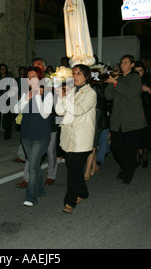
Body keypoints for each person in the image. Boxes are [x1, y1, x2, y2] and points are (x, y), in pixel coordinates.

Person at [55, 64, 96, 213]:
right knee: (74, 168)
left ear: (86, 76)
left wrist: (67, 97)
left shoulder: (90, 93)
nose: (75, 76)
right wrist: (61, 96)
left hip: (81, 137)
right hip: (68, 137)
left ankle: (70, 202)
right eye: (73, 73)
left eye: (79, 73)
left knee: (73, 170)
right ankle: (83, 192)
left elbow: (78, 111)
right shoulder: (71, 91)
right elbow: (60, 111)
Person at [14, 67, 53, 206]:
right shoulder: (26, 93)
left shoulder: (47, 94)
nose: (31, 79)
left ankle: (31, 196)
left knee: (32, 165)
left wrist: (36, 96)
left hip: (41, 136)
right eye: (28, 77)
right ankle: (41, 191)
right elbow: (15, 110)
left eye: (34, 76)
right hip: (26, 135)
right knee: (34, 165)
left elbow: (45, 114)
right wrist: (25, 99)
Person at [105, 55, 146, 185]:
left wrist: (116, 83)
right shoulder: (118, 78)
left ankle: (127, 175)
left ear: (132, 65)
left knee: (130, 149)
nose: (123, 65)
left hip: (132, 120)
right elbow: (108, 96)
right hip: (118, 121)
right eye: (121, 62)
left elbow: (130, 93)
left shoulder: (135, 78)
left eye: (126, 62)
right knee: (116, 147)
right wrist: (111, 83)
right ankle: (128, 166)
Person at [63, 0, 95, 67]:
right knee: (73, 37)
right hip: (72, 21)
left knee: (80, 36)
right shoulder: (67, 0)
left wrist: (73, 7)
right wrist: (69, 8)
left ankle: (82, 54)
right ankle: (75, 55)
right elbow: (66, 10)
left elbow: (80, 10)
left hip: (78, 22)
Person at [134, 61, 151, 168]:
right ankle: (137, 156)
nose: (139, 73)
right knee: (137, 135)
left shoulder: (150, 79)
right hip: (135, 111)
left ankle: (145, 156)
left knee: (146, 135)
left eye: (140, 71)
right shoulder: (132, 80)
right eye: (136, 71)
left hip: (147, 110)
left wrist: (148, 90)